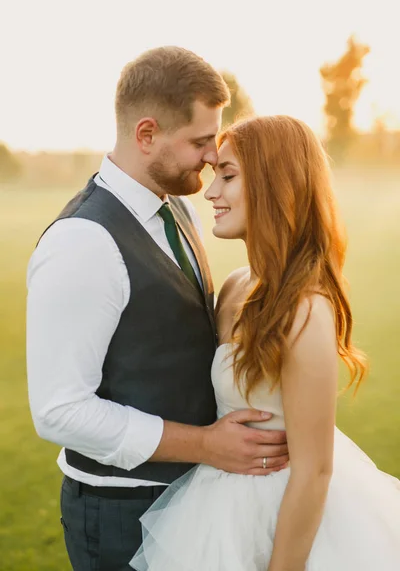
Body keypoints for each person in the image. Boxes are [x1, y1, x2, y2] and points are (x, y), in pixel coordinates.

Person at [26, 47, 289, 571]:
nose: (212, 156)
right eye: (199, 141)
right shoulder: (83, 242)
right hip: (123, 512)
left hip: (193, 502)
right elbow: (58, 409)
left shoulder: (181, 208)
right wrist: (205, 445)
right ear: (146, 134)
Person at [130, 115, 400, 571]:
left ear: (276, 185)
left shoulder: (305, 308)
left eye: (228, 176)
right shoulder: (235, 287)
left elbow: (314, 470)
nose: (211, 192)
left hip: (286, 514)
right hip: (216, 505)